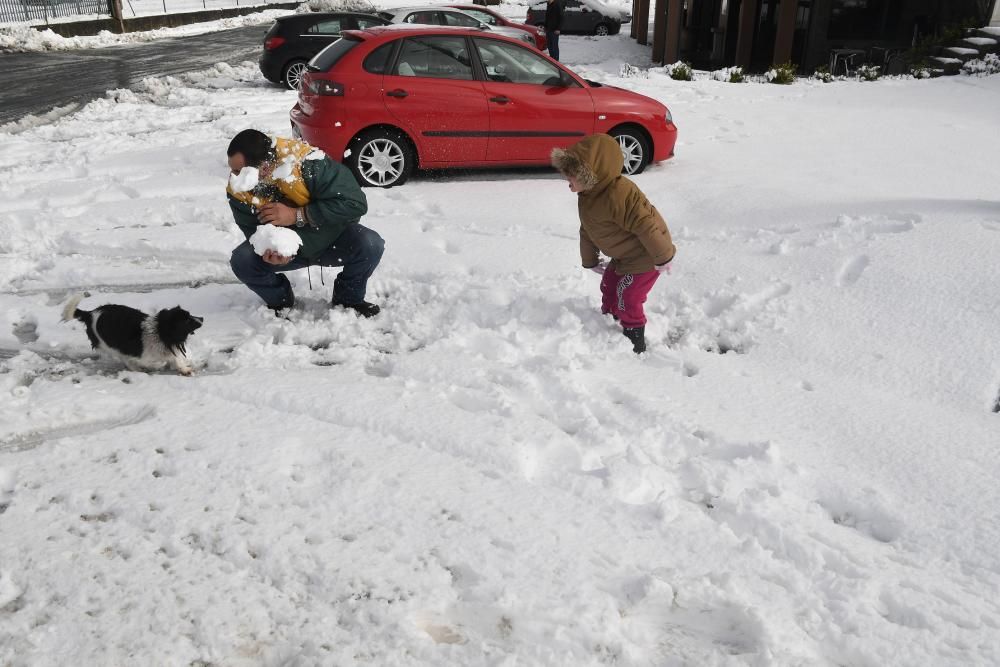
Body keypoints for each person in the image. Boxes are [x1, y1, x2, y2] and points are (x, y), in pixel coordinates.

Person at [225, 129, 384, 318]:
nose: (234, 177)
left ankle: (348, 300)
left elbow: (355, 203)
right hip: (291, 253)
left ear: (265, 167)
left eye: (239, 171)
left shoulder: (308, 164)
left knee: (370, 244)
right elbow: (253, 232)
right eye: (232, 170)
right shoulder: (239, 190)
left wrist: (297, 215)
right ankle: (281, 301)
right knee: (243, 260)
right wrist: (271, 250)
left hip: (332, 239)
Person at [551, 134, 675, 354]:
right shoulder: (589, 195)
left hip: (647, 257)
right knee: (609, 285)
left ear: (591, 174)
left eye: (572, 176)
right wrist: (589, 261)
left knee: (628, 296)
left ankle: (634, 342)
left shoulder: (619, 195)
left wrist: (662, 256)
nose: (567, 181)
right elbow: (587, 229)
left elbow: (645, 224)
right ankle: (608, 323)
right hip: (625, 256)